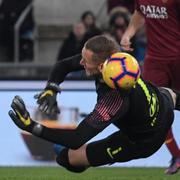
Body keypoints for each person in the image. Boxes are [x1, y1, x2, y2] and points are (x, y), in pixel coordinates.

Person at [9, 35, 180, 173]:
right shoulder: (117, 61)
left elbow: (76, 139)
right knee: (170, 94)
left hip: (143, 141)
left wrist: (31, 126)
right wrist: (51, 89)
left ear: (100, 67)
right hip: (161, 101)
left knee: (66, 159)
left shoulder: (114, 100)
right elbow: (64, 65)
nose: (81, 62)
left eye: (85, 60)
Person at [120, 0, 180, 174]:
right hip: (154, 59)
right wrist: (128, 34)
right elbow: (140, 13)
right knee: (155, 109)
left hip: (178, 56)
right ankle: (176, 155)